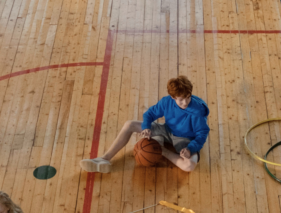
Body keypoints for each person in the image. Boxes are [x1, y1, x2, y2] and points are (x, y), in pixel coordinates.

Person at [81, 75, 209, 175]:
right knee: (129, 124)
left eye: (188, 97)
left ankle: (162, 150)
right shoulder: (166, 102)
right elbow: (149, 114)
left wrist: (190, 148)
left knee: (189, 166)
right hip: (166, 130)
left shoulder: (197, 111)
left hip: (185, 139)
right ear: (173, 97)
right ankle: (104, 158)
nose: (185, 102)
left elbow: (202, 134)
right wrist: (146, 127)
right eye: (181, 99)